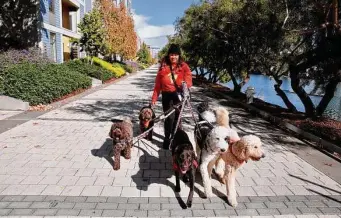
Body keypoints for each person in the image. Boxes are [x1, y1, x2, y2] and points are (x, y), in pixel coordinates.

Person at [151, 44, 192, 149]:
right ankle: (167, 138)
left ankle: (175, 138)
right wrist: (154, 99)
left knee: (178, 118)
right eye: (171, 54)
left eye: (176, 55)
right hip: (167, 96)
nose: (173, 57)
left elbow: (188, 78)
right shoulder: (163, 67)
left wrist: (185, 85)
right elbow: (157, 85)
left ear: (179, 55)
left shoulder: (184, 66)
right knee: (169, 118)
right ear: (168, 55)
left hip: (178, 96)